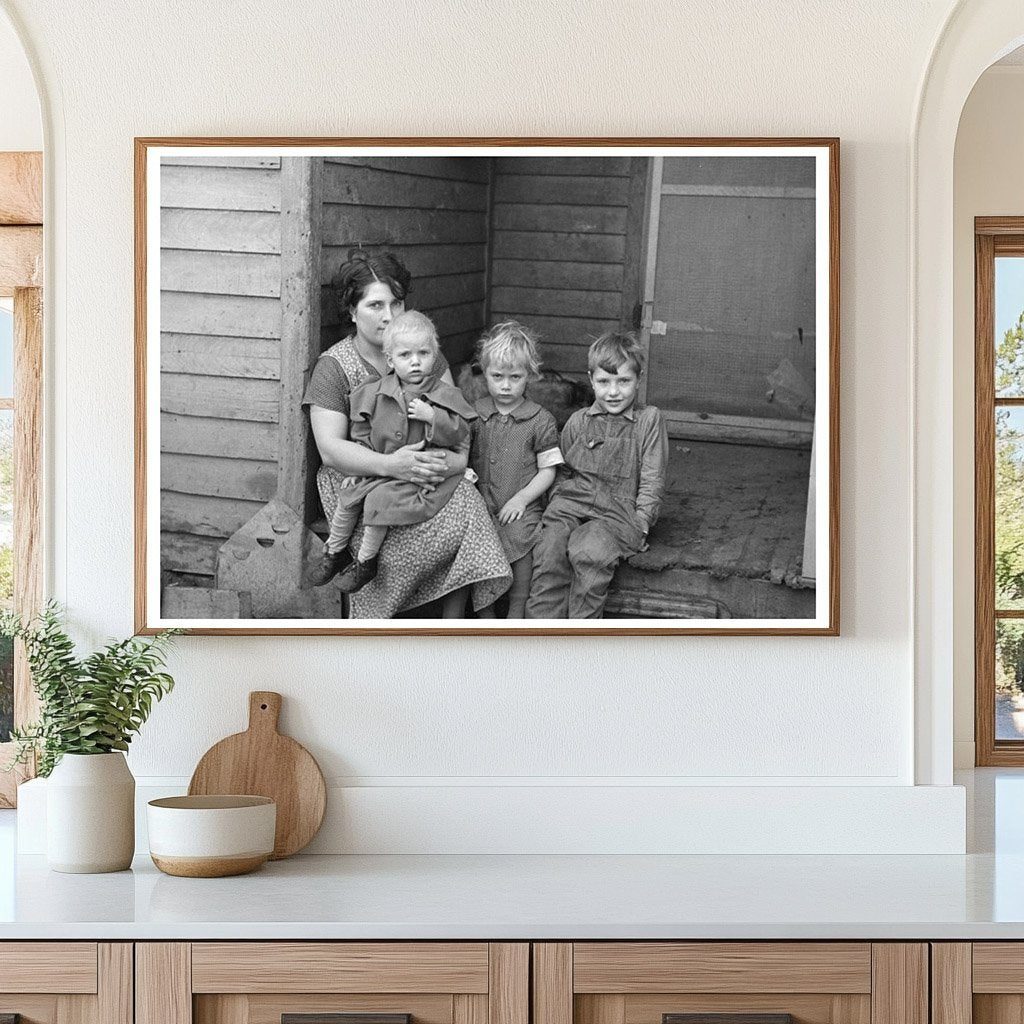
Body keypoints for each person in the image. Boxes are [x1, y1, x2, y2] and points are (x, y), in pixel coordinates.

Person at [302, 250, 510, 618]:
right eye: (375, 305)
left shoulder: (423, 355)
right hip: (361, 476)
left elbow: (452, 421)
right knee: (392, 542)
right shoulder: (334, 367)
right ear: (352, 312)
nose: (389, 316)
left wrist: (454, 463)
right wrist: (392, 465)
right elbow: (331, 450)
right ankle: (384, 618)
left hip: (426, 467)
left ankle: (470, 619)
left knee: (469, 504)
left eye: (396, 303)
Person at [310, 310, 477, 594]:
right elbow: (360, 431)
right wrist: (357, 469)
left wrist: (432, 417)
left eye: (423, 354)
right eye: (405, 356)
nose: (415, 362)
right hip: (381, 467)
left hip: (413, 475)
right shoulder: (373, 392)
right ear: (390, 360)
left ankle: (366, 562)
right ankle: (333, 552)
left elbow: (460, 431)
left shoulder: (444, 395)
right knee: (349, 496)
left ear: (434, 356)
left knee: (379, 500)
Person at [525, 331, 669, 620]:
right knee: (550, 548)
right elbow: (564, 471)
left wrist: (641, 521)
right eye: (604, 382)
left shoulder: (648, 420)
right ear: (591, 380)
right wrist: (558, 503)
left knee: (588, 551)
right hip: (572, 504)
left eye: (624, 381)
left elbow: (653, 477)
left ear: (638, 381)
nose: (613, 392)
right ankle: (538, 640)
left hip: (616, 513)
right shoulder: (578, 421)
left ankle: (581, 644)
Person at [469, 322, 563, 618]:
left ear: (530, 376)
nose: (506, 385)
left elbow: (548, 471)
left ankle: (516, 614)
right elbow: (460, 456)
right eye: (497, 377)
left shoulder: (540, 419)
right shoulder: (474, 413)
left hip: (521, 503)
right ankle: (486, 618)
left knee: (523, 541)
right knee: (478, 549)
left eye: (515, 377)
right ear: (484, 374)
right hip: (481, 503)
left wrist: (521, 499)